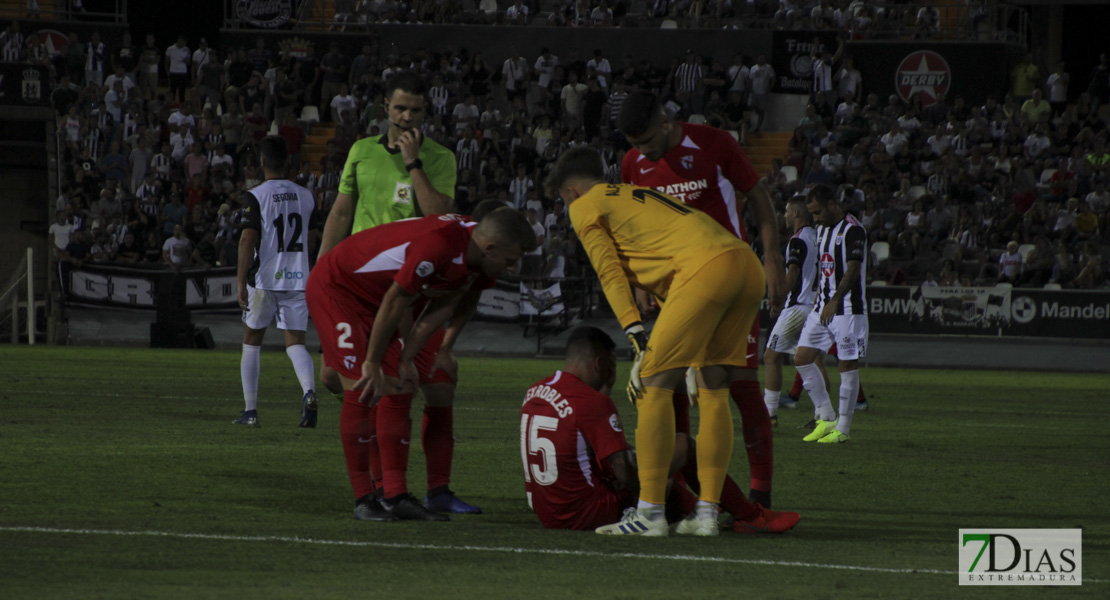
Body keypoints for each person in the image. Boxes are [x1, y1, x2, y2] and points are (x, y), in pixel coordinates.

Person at [547, 146, 767, 537]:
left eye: (564, 199)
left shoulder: (584, 206)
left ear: (572, 192)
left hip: (704, 270)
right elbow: (675, 263)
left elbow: (608, 272)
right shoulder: (637, 194)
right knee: (714, 391)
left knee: (652, 385)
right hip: (745, 265)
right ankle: (707, 515)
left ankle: (648, 513)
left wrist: (634, 332)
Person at [307, 208, 536, 522]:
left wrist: (407, 358)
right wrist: (372, 361)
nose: (511, 268)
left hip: (380, 298)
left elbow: (443, 307)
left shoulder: (479, 255)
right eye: (510, 260)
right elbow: (396, 300)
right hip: (338, 288)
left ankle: (396, 495)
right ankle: (364, 498)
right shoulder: (439, 246)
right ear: (490, 248)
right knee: (361, 386)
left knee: (402, 384)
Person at [318, 71, 477, 514]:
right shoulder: (361, 152)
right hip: (358, 284)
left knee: (437, 381)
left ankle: (435, 491)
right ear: (385, 106)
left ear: (427, 113)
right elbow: (342, 210)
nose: (407, 117)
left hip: (412, 286)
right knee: (344, 379)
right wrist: (321, 269)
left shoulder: (439, 157)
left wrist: (414, 162)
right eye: (400, 108)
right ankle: (380, 486)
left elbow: (439, 215)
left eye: (417, 111)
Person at [617, 90, 784, 509]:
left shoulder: (714, 143)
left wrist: (773, 259)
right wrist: (639, 282)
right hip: (675, 288)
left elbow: (760, 199)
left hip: (730, 285)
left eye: (647, 140)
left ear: (665, 122)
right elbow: (636, 225)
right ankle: (686, 494)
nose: (643, 151)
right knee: (666, 385)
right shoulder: (632, 164)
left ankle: (759, 493)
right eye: (635, 144)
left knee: (740, 386)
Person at [522, 326, 801, 535]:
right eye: (611, 365)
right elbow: (624, 472)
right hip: (588, 512)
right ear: (600, 363)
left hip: (549, 512)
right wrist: (658, 466)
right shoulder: (592, 401)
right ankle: (748, 515)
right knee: (681, 448)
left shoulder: (535, 390)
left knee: (657, 464)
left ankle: (699, 507)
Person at [233, 136, 320, 429]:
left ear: (262, 163)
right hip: (298, 278)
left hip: (266, 279)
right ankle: (309, 391)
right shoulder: (307, 196)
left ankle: (251, 411)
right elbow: (312, 235)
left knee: (251, 342)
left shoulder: (255, 195)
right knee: (295, 343)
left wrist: (240, 280)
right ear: (289, 163)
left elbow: (247, 239)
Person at [793, 184, 869, 444]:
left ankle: (843, 430)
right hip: (822, 305)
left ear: (831, 205)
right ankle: (825, 417)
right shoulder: (823, 230)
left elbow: (853, 268)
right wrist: (820, 297)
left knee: (846, 365)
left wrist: (835, 300)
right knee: (802, 358)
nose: (814, 219)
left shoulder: (853, 229)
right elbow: (825, 267)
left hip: (847, 309)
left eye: (817, 213)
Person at [762, 198, 829, 425]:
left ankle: (769, 414)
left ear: (797, 213)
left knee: (771, 357)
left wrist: (779, 299)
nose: (784, 215)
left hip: (799, 307)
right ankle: (823, 415)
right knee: (814, 361)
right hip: (817, 307)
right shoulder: (820, 238)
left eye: (787, 211)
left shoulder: (798, 240)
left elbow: (792, 272)